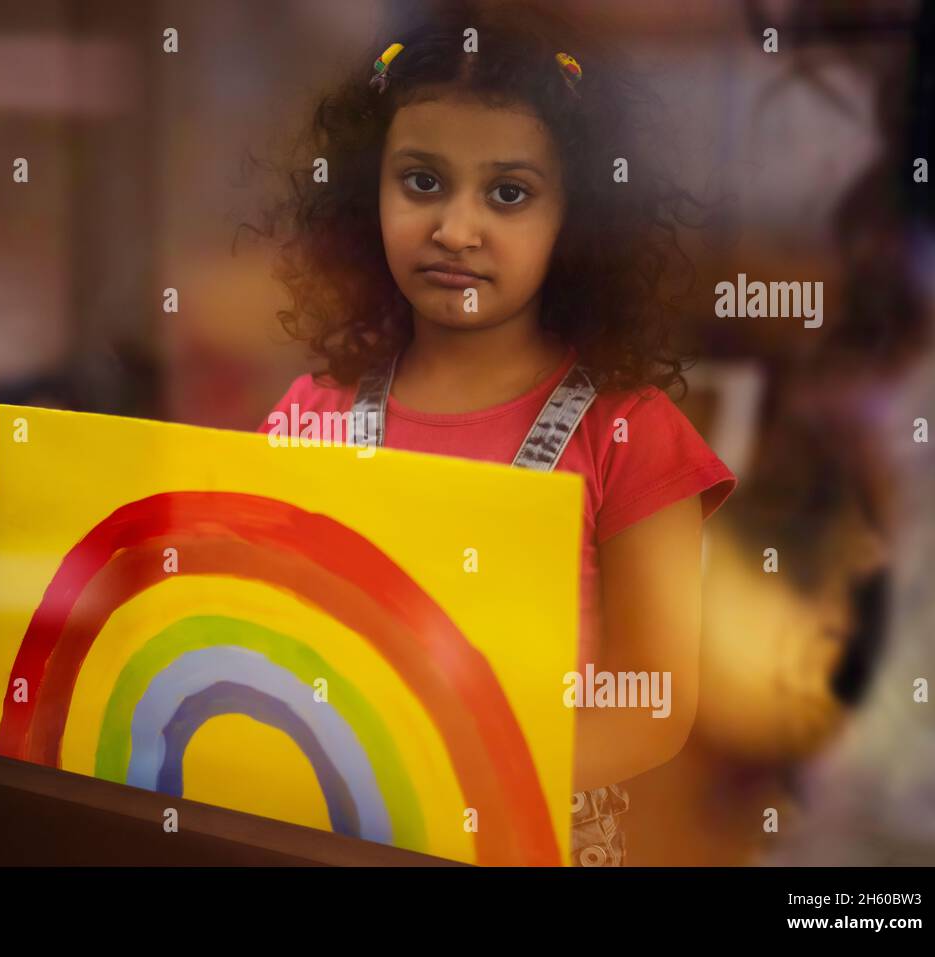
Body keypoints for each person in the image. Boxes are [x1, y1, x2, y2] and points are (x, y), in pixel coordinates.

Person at [250, 2, 737, 865]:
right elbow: (256, 636)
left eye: (508, 193)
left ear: (575, 222)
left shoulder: (631, 434)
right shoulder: (308, 416)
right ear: (370, 194)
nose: (456, 229)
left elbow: (654, 703)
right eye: (422, 182)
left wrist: (449, 776)